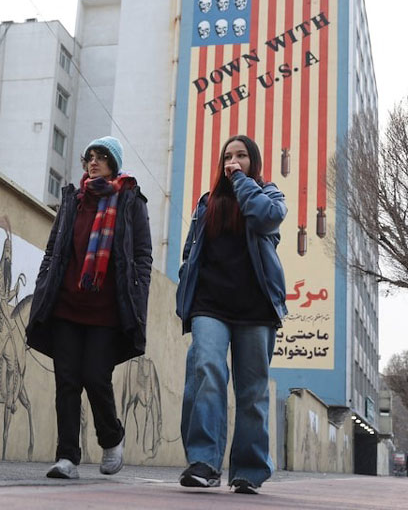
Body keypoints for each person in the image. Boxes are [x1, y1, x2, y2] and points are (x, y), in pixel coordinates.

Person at [26, 135, 152, 479]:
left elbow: (142, 256)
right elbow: (54, 248)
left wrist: (138, 296)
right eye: (90, 157)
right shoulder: (74, 199)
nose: (93, 162)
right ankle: (67, 457)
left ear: (114, 162)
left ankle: (111, 437)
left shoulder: (129, 200)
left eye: (101, 157)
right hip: (66, 304)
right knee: (67, 380)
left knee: (96, 377)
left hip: (107, 310)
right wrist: (43, 282)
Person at [176, 134, 288, 495]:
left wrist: (241, 180)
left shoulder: (269, 196)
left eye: (241, 156)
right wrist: (186, 282)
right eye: (228, 157)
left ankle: (249, 470)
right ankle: (204, 462)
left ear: (253, 162)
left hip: (255, 307)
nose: (233, 161)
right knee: (206, 372)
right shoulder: (207, 203)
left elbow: (266, 219)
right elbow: (191, 251)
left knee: (252, 390)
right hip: (210, 304)